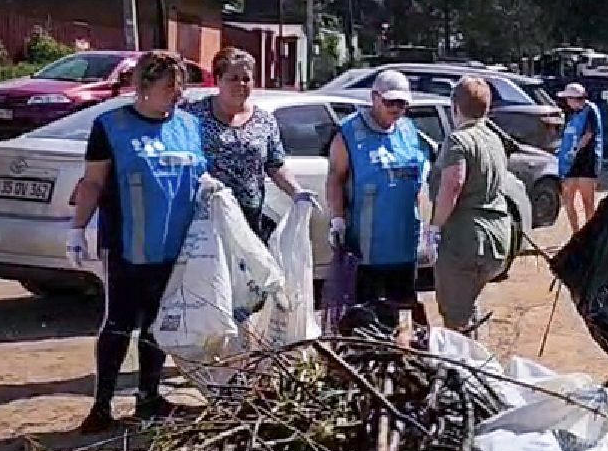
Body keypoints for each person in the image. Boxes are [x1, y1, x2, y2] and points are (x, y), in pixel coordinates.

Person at [67, 51, 206, 432]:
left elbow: (200, 179)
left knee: (158, 324)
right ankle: (102, 405)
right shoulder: (110, 127)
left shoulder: (190, 127)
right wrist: (77, 229)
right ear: (143, 87)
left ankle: (149, 397)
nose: (177, 96)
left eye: (181, 88)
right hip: (128, 246)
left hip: (175, 248)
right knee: (118, 323)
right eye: (168, 88)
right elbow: (93, 182)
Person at [182, 48, 314, 240]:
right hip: (205, 221)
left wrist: (297, 192)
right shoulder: (193, 115)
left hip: (249, 221)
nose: (241, 84)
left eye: (246, 79)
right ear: (218, 80)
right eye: (233, 78)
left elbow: (275, 165)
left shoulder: (264, 120)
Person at [326, 69, 429, 311]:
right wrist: (338, 220)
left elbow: (420, 181)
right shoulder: (350, 133)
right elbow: (335, 178)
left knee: (400, 312)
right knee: (366, 315)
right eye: (390, 102)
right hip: (366, 248)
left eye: (402, 104)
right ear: (374, 97)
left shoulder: (408, 131)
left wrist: (428, 231)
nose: (396, 108)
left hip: (404, 245)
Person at [428, 76, 515, 332]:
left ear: (455, 107)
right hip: (497, 236)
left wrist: (434, 228)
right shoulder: (494, 139)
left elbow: (453, 185)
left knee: (455, 316)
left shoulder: (459, 140)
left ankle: (466, 367)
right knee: (471, 305)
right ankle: (477, 357)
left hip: (466, 238)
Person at [555, 81, 604, 233]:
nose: (567, 102)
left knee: (587, 201)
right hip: (571, 163)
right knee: (568, 199)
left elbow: (589, 134)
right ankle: (576, 233)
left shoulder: (590, 110)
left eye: (569, 99)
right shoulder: (571, 114)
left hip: (587, 161)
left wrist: (575, 150)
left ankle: (590, 235)